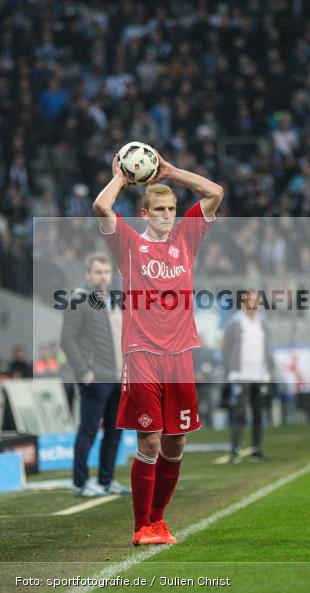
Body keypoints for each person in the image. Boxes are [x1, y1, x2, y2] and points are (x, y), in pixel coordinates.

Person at [93, 151, 223, 545]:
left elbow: (215, 192)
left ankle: (159, 521)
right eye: (159, 209)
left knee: (177, 440)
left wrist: (170, 173)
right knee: (149, 439)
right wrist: (121, 176)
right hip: (142, 353)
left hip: (181, 354)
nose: (167, 214)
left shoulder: (187, 237)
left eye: (171, 208)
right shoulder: (129, 245)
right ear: (145, 214)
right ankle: (141, 526)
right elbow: (101, 205)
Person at [61, 253, 128, 497]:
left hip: (117, 377)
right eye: (98, 272)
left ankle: (106, 481)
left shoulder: (113, 300)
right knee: (88, 431)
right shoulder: (79, 299)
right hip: (95, 377)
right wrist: (85, 373)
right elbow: (66, 340)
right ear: (88, 275)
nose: (103, 276)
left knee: (114, 432)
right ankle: (81, 482)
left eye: (106, 272)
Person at [222, 291, 272, 463]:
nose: (253, 304)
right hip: (240, 375)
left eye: (256, 301)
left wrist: (268, 371)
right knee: (240, 413)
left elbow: (266, 348)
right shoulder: (235, 322)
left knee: (259, 413)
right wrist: (230, 371)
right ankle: (235, 449)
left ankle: (257, 449)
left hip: (259, 375)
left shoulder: (262, 322)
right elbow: (226, 348)